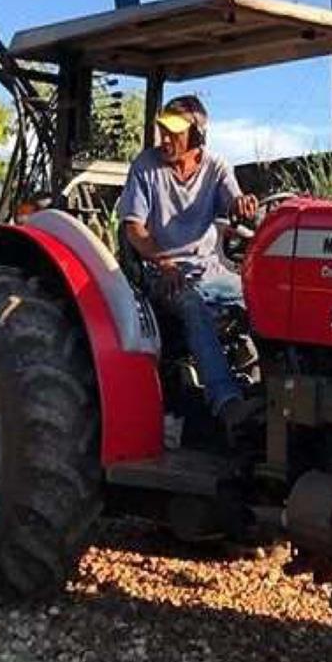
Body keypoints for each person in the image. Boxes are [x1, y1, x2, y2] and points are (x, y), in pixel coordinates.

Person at [118, 94, 259, 442]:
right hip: (161, 271)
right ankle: (227, 403)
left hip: (210, 270)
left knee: (260, 298)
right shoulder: (145, 167)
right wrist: (163, 262)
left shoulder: (217, 168)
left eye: (175, 133)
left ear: (196, 137)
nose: (165, 140)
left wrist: (242, 206)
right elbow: (133, 228)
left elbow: (236, 205)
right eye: (163, 131)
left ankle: (270, 389)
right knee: (192, 304)